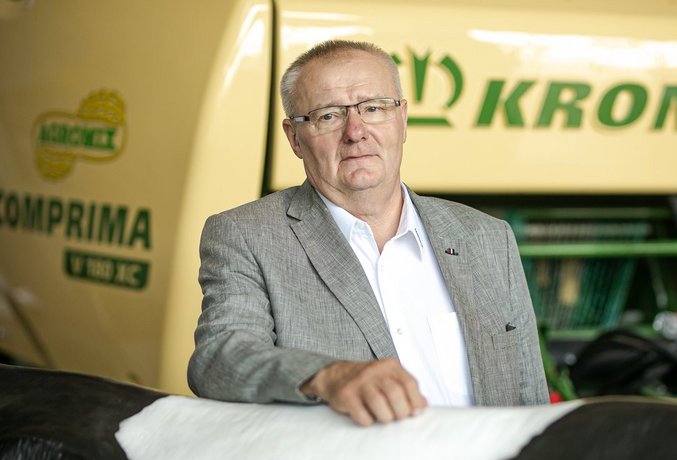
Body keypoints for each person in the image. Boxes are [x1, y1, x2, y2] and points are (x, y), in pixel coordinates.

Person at [188, 40, 549, 426]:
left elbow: (531, 402)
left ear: (402, 119)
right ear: (294, 138)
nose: (355, 131)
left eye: (373, 108)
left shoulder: (487, 238)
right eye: (328, 115)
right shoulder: (247, 236)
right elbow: (219, 360)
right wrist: (328, 376)